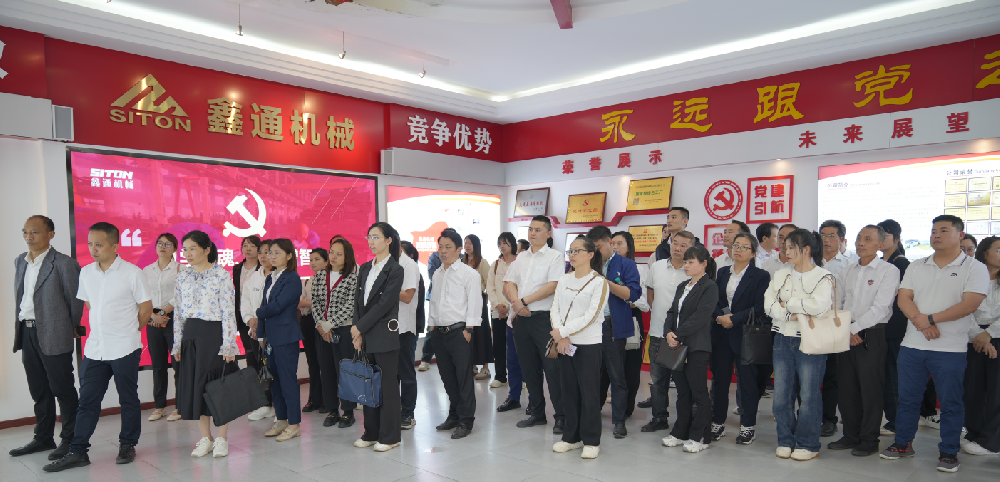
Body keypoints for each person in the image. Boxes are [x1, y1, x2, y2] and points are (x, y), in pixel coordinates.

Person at [880, 215, 989, 473]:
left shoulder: (975, 268)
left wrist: (929, 319)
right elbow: (904, 298)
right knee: (908, 399)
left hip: (950, 349)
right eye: (933, 230)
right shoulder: (918, 265)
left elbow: (969, 305)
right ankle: (903, 442)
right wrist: (922, 323)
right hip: (912, 345)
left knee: (950, 403)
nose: (936, 235)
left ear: (960, 235)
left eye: (943, 230)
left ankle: (949, 451)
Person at [44, 222, 152, 472]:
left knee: (128, 399)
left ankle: (127, 445)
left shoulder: (132, 273)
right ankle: (78, 451)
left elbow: (146, 310)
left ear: (114, 246)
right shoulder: (86, 272)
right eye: (90, 244)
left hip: (125, 348)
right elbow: (90, 305)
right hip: (95, 349)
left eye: (99, 245)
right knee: (87, 401)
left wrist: (127, 331)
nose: (93, 249)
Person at [10, 215, 83, 461]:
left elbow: (75, 301)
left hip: (55, 332)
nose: (29, 237)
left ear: (51, 234)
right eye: (25, 232)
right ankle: (43, 437)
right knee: (39, 389)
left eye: (35, 232)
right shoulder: (20, 261)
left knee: (62, 388)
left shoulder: (64, 263)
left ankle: (71, 439)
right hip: (27, 330)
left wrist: (70, 327)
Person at [826, 225, 900, 457]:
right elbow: (836, 301)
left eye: (868, 239)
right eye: (859, 238)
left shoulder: (888, 270)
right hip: (845, 331)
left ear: (880, 244)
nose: (861, 243)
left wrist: (854, 329)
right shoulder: (848, 270)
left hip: (872, 333)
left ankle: (869, 439)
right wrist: (846, 329)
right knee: (846, 387)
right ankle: (850, 434)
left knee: (870, 389)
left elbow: (881, 307)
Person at [764, 228, 834, 462]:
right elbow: (769, 305)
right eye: (785, 247)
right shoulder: (781, 274)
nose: (786, 251)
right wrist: (789, 313)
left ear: (806, 250)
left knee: (809, 395)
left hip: (810, 340)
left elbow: (819, 307)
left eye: (791, 247)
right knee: (781, 395)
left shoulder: (824, 276)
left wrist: (788, 304)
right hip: (782, 338)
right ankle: (785, 440)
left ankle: (808, 443)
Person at [169, 231, 240, 457]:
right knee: (196, 387)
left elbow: (228, 311)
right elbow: (178, 312)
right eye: (185, 249)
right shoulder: (182, 276)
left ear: (207, 249)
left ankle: (221, 438)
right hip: (191, 335)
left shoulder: (221, 275)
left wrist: (229, 343)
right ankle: (205, 438)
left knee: (218, 386)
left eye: (192, 248)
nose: (187, 253)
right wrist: (177, 343)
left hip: (214, 335)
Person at [505, 215, 566, 432]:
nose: (532, 233)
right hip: (522, 319)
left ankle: (561, 416)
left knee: (552, 369)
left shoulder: (555, 257)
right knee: (529, 369)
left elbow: (553, 286)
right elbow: (509, 282)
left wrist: (523, 301)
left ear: (548, 233)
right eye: (530, 229)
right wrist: (517, 304)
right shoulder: (521, 257)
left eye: (538, 229)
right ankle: (537, 413)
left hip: (544, 320)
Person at [550, 235, 608, 459]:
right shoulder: (564, 279)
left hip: (588, 344)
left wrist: (563, 332)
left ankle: (592, 440)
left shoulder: (599, 282)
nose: (572, 255)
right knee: (569, 392)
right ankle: (571, 437)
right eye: (570, 251)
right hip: (565, 343)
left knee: (589, 393)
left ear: (591, 254)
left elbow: (592, 315)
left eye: (577, 251)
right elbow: (555, 308)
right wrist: (561, 336)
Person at [710, 232, 770, 445]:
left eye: (745, 247)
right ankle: (717, 423)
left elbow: (760, 308)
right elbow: (714, 299)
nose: (739, 250)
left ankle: (748, 427)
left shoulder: (761, 276)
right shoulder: (723, 272)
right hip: (721, 334)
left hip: (746, 335)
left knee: (747, 383)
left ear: (753, 253)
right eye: (736, 245)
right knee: (720, 381)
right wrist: (719, 317)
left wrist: (733, 319)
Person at [660, 246, 719, 453]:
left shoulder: (709, 286)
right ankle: (680, 433)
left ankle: (700, 436)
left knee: (699, 393)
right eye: (685, 262)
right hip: (678, 345)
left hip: (697, 347)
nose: (686, 265)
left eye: (691, 262)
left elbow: (701, 317)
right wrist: (668, 332)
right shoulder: (683, 286)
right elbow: (672, 312)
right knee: (683, 392)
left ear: (704, 264)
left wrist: (677, 335)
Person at [352, 222, 405, 452]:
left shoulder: (395, 269)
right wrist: (357, 330)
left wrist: (360, 327)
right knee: (369, 387)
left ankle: (390, 436)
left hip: (384, 335)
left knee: (388, 388)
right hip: (365, 335)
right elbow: (358, 302)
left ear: (388, 240)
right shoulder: (365, 268)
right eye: (369, 237)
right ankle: (371, 433)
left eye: (376, 237)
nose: (371, 241)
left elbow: (384, 304)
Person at [428, 229, 483, 439]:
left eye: (448, 247)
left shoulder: (469, 274)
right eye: (440, 247)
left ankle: (466, 420)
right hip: (439, 333)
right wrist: (431, 325)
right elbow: (434, 301)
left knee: (463, 378)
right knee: (447, 377)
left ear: (459, 249)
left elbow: (475, 303)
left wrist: (469, 329)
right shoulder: (438, 273)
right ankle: (454, 415)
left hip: (459, 332)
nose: (443, 251)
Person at [586, 225, 641, 439]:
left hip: (611, 326)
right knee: (590, 374)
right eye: (592, 248)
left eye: (599, 247)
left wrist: (605, 283)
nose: (595, 252)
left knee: (617, 375)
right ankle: (589, 415)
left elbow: (632, 294)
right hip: (589, 326)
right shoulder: (587, 263)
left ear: (610, 243)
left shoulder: (626, 264)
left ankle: (619, 421)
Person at [641, 231, 694, 432]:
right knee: (658, 380)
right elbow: (650, 292)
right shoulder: (657, 266)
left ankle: (686, 420)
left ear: (691, 247)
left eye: (683, 245)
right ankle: (659, 418)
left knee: (684, 382)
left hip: (683, 335)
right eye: (675, 243)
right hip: (657, 333)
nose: (677, 248)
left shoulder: (693, 269)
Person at [256, 239, 305, 441]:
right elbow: (265, 304)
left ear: (289, 255)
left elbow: (277, 306)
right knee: (274, 381)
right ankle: (281, 420)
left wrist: (258, 312)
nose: (272, 256)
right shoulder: (271, 277)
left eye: (277, 252)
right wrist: (261, 334)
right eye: (271, 252)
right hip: (271, 337)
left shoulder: (293, 278)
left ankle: (294, 425)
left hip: (286, 336)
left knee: (287, 381)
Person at [311, 241, 360, 429]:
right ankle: (332, 409)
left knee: (345, 372)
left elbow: (350, 306)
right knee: (326, 371)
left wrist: (329, 324)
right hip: (322, 331)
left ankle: (348, 411)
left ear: (347, 257)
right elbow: (315, 302)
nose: (333, 257)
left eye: (339, 254)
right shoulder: (319, 276)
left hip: (342, 330)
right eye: (332, 252)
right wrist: (321, 325)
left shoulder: (352, 278)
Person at [962, 236, 1000, 455]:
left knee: (996, 391)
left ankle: (991, 441)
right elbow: (963, 309)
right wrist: (979, 336)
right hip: (973, 338)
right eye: (998, 250)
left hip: (996, 335)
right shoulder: (971, 278)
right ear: (985, 253)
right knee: (973, 388)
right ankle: (974, 432)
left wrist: (989, 334)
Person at [608, 231, 649, 419]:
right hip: (608, 321)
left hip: (631, 319)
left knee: (630, 367)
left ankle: (626, 408)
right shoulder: (604, 267)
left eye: (619, 243)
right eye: (613, 243)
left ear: (629, 246)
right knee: (608, 367)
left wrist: (625, 299)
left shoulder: (638, 268)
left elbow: (644, 302)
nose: (615, 247)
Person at [877, 219, 911, 437]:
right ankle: (892, 418)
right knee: (885, 375)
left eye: (886, 235)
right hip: (880, 327)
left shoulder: (902, 264)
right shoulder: (880, 263)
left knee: (894, 376)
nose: (880, 239)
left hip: (895, 329)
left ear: (897, 239)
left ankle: (897, 421)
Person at [818, 219, 851, 438]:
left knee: (832, 375)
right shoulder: (810, 261)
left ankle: (829, 419)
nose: (826, 240)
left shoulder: (850, 264)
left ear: (841, 239)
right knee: (809, 374)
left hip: (836, 324)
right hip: (811, 324)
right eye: (823, 235)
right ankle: (808, 415)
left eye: (831, 236)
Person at [143, 233, 182, 422]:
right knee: (158, 365)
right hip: (152, 319)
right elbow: (142, 296)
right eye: (160, 243)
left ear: (174, 248)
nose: (163, 247)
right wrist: (153, 315)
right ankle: (160, 406)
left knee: (178, 364)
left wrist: (164, 313)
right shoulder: (147, 270)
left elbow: (181, 294)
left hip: (174, 319)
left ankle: (180, 406)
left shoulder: (180, 269)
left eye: (167, 244)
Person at [243, 239, 275, 421]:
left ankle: (280, 406)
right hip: (256, 332)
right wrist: (250, 321)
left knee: (277, 370)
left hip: (274, 331)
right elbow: (245, 303)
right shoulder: (253, 278)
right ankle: (266, 405)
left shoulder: (282, 277)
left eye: (268, 252)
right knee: (262, 369)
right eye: (261, 252)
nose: (263, 256)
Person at [396, 240, 420, 430]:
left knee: (406, 374)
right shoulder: (382, 264)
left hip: (404, 328)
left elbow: (407, 296)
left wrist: (385, 288)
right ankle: (393, 411)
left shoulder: (409, 265)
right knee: (390, 375)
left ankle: (407, 414)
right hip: (385, 329)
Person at [488, 233, 517, 392]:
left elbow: (520, 287)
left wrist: (509, 306)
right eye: (500, 243)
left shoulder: (519, 263)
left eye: (505, 243)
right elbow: (490, 287)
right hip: (497, 311)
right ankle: (500, 376)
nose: (502, 246)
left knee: (517, 346)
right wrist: (498, 305)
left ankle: (522, 377)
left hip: (514, 311)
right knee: (498, 345)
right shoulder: (495, 264)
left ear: (512, 244)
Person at [464, 234, 494, 380]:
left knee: (481, 333)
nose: (467, 246)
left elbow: (489, 283)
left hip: (479, 301)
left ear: (476, 245)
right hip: (465, 302)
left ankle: (486, 368)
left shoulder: (482, 262)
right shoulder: (461, 262)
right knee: (470, 333)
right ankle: (473, 365)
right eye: (465, 243)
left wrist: (486, 299)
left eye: (470, 243)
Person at [298, 251, 324, 414]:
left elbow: (323, 303)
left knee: (325, 363)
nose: (313, 262)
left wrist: (306, 303)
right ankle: (314, 398)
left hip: (322, 323)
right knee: (312, 363)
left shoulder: (329, 280)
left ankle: (326, 399)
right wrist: (308, 303)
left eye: (317, 259)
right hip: (308, 322)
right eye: (311, 259)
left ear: (326, 262)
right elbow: (300, 303)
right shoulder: (307, 281)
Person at [418, 250, 442, 371]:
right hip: (436, 297)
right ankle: (426, 359)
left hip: (455, 300)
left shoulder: (461, 257)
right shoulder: (435, 256)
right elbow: (433, 276)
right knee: (432, 328)